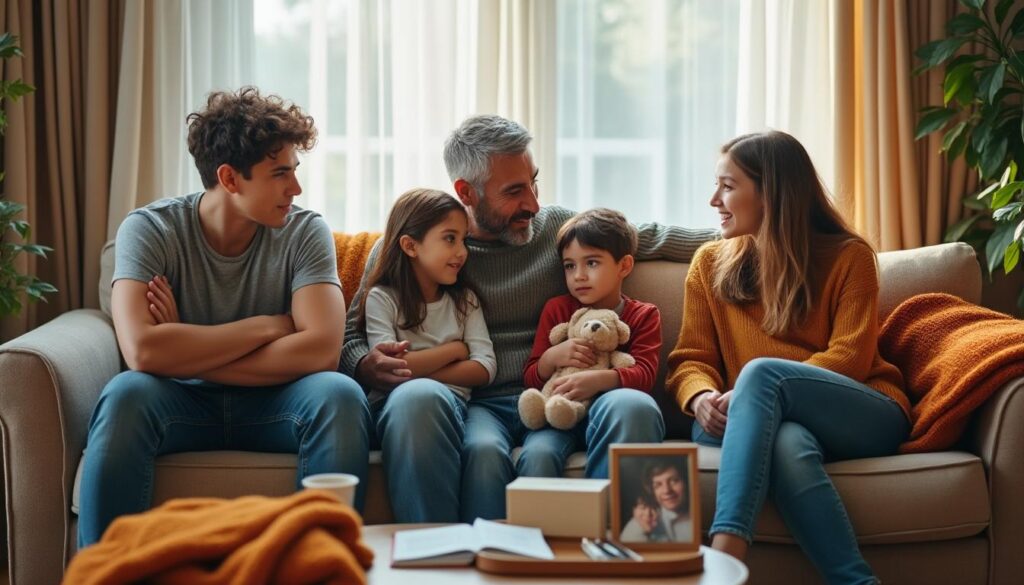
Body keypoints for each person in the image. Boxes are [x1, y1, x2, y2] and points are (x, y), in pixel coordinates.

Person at [340, 114, 719, 523]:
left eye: (534, 182)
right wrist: (365, 363)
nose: (533, 204)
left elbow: (640, 235)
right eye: (515, 191)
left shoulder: (553, 226)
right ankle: (440, 555)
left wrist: (736, 236)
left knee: (635, 407)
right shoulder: (423, 249)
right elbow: (349, 339)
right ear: (467, 192)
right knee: (426, 408)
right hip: (475, 402)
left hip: (569, 391)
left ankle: (621, 555)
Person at [78, 87, 370, 547]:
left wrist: (186, 349)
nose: (295, 188)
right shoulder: (149, 229)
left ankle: (319, 568)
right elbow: (143, 350)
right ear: (230, 179)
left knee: (340, 395)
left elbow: (321, 350)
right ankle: (106, 574)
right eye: (280, 174)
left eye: (294, 172)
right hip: (179, 401)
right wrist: (269, 326)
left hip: (277, 401)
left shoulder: (305, 229)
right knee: (124, 394)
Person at [666, 130, 909, 584]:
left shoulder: (848, 258)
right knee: (788, 444)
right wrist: (700, 397)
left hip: (862, 411)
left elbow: (851, 358)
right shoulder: (708, 264)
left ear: (771, 192)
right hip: (764, 422)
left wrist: (750, 391)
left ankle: (725, 555)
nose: (713, 199)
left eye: (728, 185)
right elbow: (690, 359)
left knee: (762, 376)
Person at [519, 208, 662, 473]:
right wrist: (552, 357)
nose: (579, 276)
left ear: (625, 266)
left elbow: (644, 375)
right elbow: (531, 377)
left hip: (609, 415)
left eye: (592, 263)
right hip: (557, 413)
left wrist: (598, 380)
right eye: (569, 266)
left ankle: (604, 512)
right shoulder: (557, 310)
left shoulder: (644, 315)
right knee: (538, 454)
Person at [356, 188, 496, 405]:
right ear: (410, 246)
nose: (463, 252)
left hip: (451, 406)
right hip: (396, 406)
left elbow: (485, 368)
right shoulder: (382, 299)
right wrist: (455, 350)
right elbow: (391, 365)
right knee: (417, 399)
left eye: (463, 241)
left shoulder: (465, 301)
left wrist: (418, 370)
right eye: (450, 238)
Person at [620, 459, 693, 543]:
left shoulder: (695, 516)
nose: (667, 490)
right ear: (652, 491)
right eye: (658, 485)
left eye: (674, 481)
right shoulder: (643, 522)